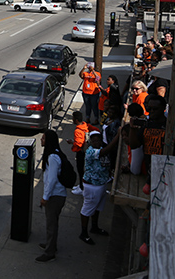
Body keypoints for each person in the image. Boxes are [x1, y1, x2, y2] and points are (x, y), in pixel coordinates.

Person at [78, 130, 121, 245]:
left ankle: (94, 227)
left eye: (98, 139)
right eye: (94, 140)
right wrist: (118, 135)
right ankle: (83, 233)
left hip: (101, 184)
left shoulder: (101, 148)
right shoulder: (91, 152)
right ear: (90, 141)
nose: (96, 142)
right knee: (87, 209)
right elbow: (108, 149)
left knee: (97, 208)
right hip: (92, 185)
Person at [37, 129, 68, 263]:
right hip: (56, 195)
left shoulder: (52, 158)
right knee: (52, 223)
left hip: (55, 196)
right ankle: (51, 244)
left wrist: (45, 197)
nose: (41, 140)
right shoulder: (54, 154)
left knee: (51, 224)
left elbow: (52, 180)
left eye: (43, 138)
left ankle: (50, 252)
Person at [66, 110, 99, 194]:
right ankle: (81, 185)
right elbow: (97, 130)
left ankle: (82, 187)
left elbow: (78, 144)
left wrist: (72, 143)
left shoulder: (77, 131)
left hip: (81, 153)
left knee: (81, 170)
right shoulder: (86, 125)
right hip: (86, 151)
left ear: (76, 120)